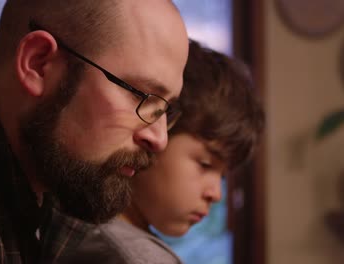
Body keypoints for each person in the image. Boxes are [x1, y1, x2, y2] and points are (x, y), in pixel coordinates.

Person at [0, 0, 189, 263]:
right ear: (38, 63)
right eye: (141, 95)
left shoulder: (58, 194)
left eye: (166, 109)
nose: (159, 138)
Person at [61, 39, 265, 263]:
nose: (216, 194)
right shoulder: (134, 256)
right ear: (154, 134)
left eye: (223, 176)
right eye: (205, 164)